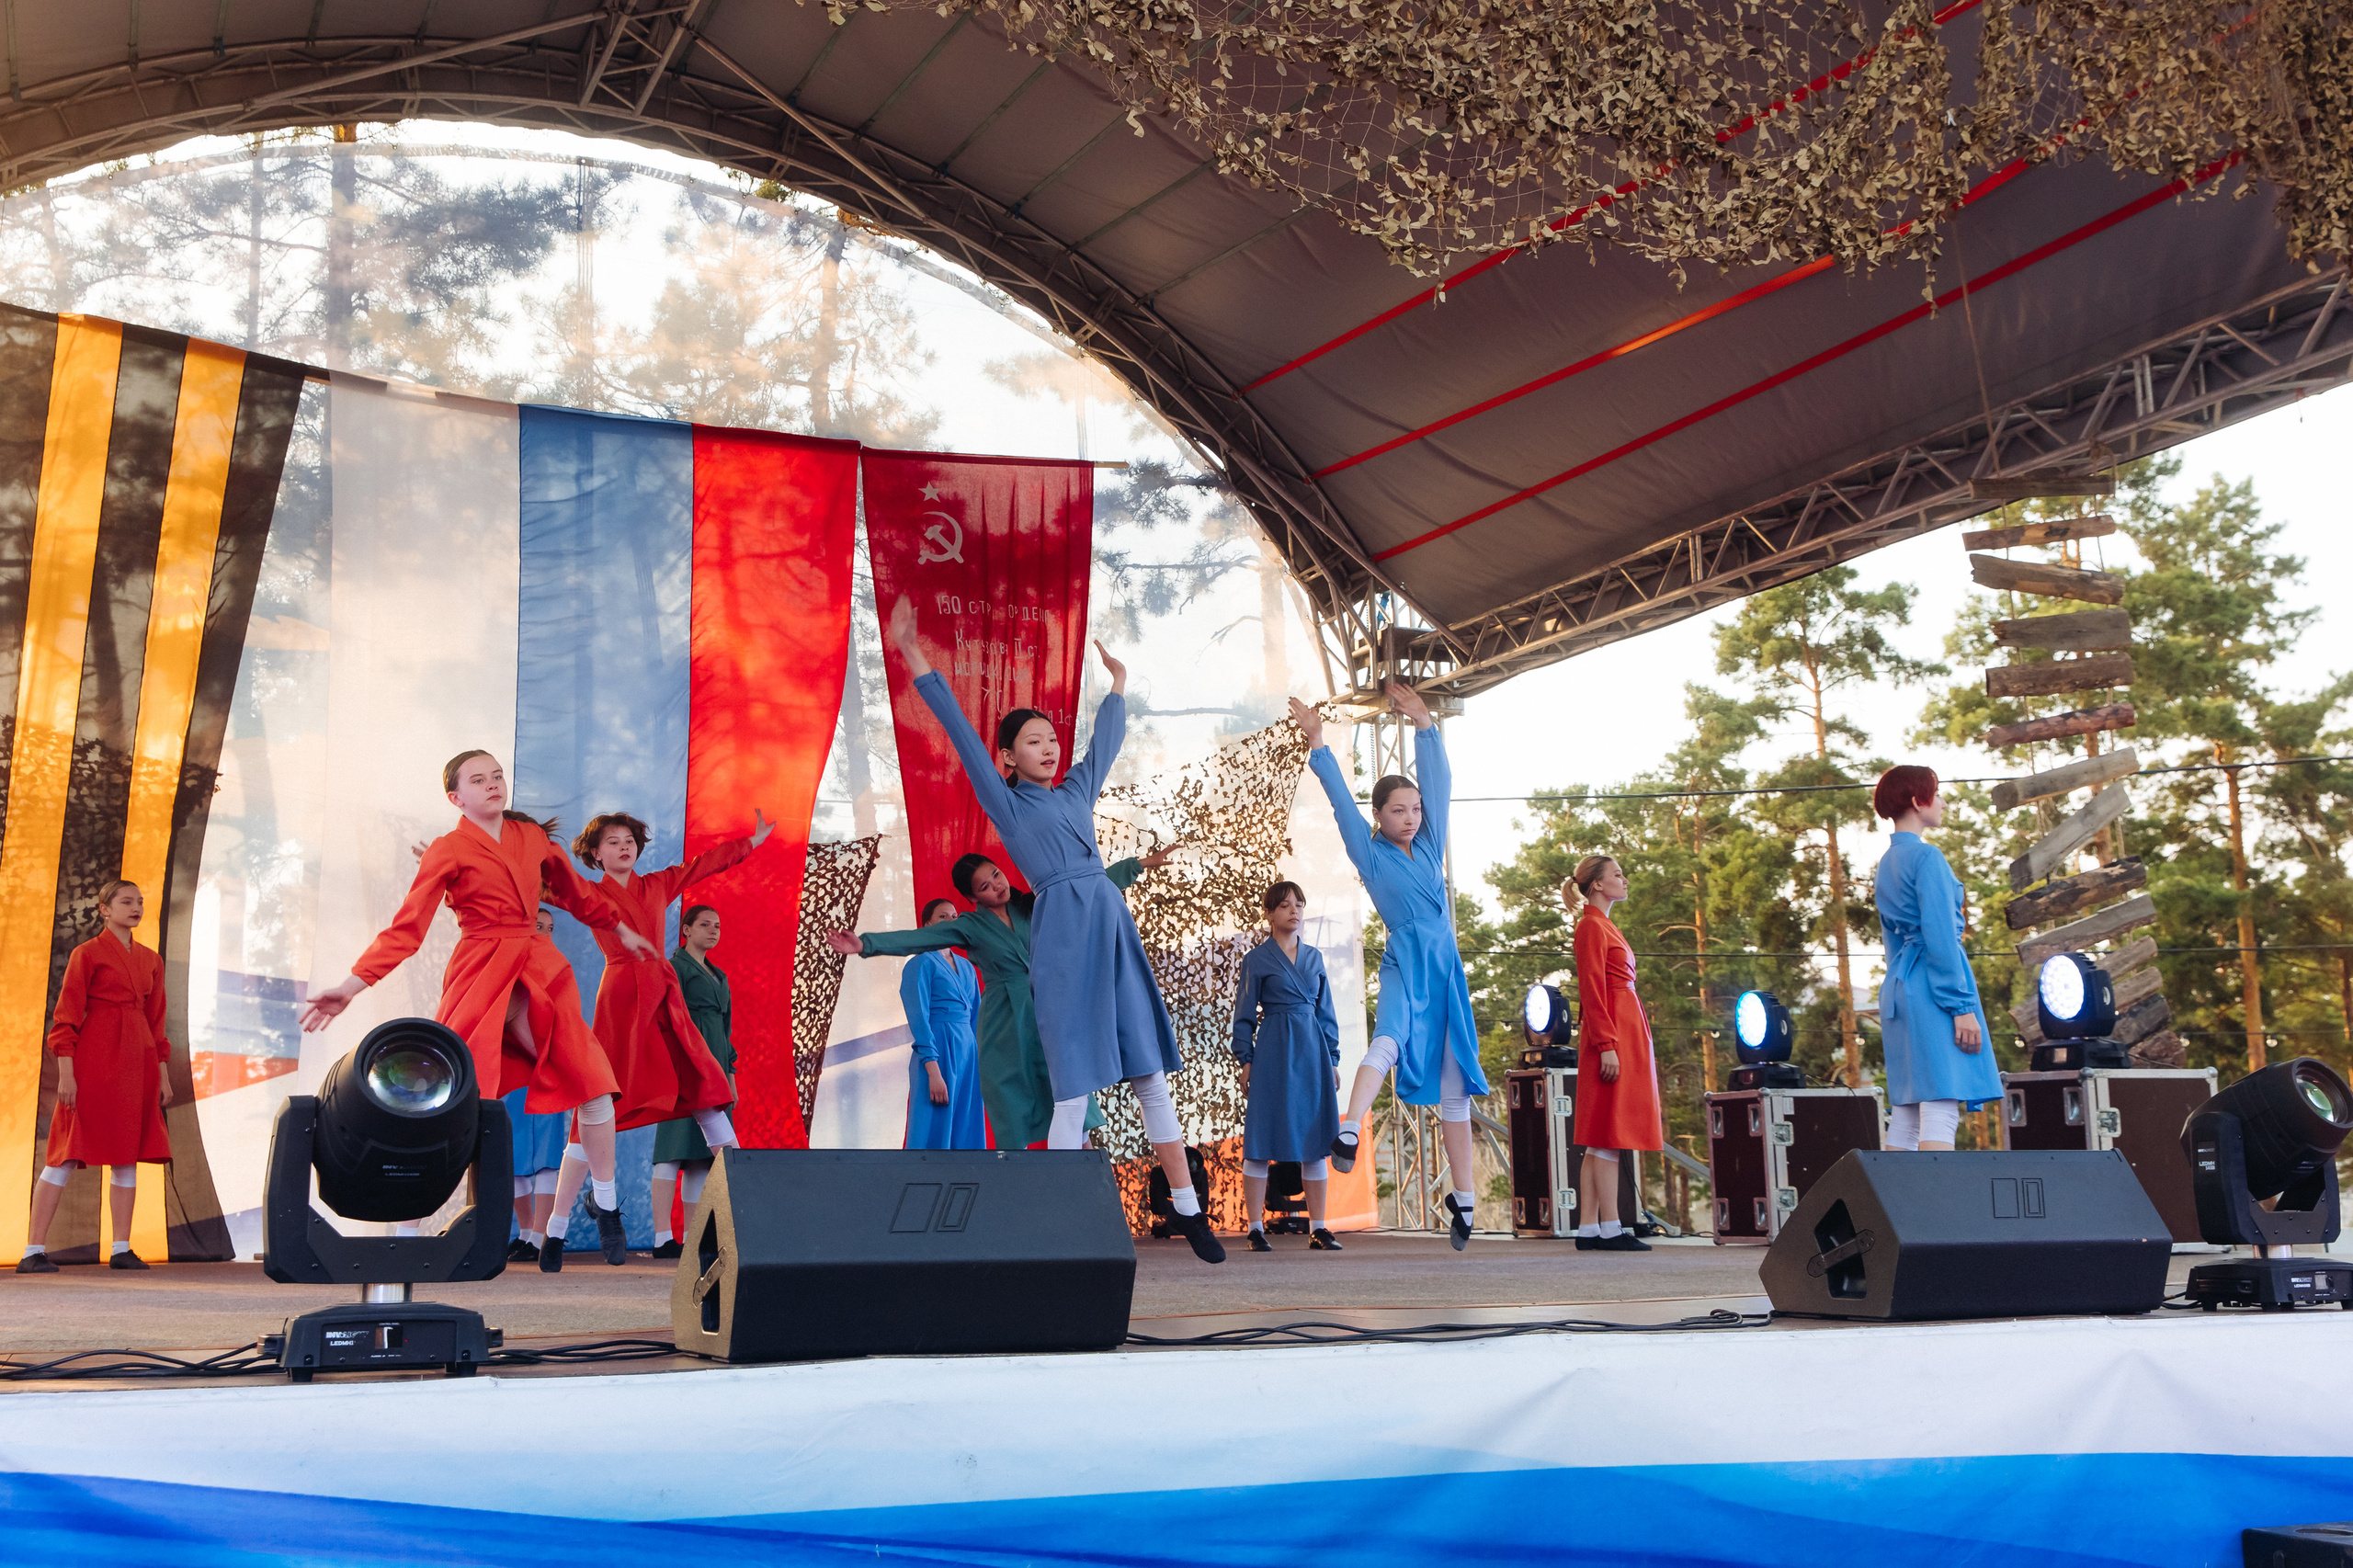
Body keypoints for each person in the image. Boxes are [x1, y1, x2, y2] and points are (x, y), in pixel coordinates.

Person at [884, 594, 1222, 1265]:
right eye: (1033, 741)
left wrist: (1119, 685)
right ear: (1007, 759)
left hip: (1110, 925)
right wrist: (916, 656)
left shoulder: (1074, 792)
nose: (1048, 747)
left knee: (1150, 1073)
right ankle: (1044, 1219)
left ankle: (1187, 1208)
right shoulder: (1006, 804)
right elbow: (956, 731)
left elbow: (1105, 745)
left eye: (1051, 739)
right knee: (1075, 1086)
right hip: (1066, 933)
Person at [301, 749, 663, 1270]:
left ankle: (605, 1202)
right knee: (448, 1097)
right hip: (482, 971)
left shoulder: (531, 838)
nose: (493, 784)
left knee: (593, 1082)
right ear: (456, 797)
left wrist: (622, 926)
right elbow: (407, 929)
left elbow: (575, 891)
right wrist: (351, 986)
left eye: (497, 776)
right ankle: (406, 1224)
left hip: (539, 970)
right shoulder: (447, 849)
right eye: (479, 779)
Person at [1291, 684, 1490, 1251]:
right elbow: (1337, 802)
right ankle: (1349, 1126)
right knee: (1389, 1040)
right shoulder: (1369, 851)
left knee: (1456, 1080)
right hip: (1408, 958)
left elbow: (1442, 787)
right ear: (1376, 817)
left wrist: (1426, 725)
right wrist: (1318, 745)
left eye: (1415, 810)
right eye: (1397, 810)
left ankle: (1467, 1202)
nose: (1410, 817)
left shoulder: (1428, 847)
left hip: (1446, 966)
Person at [829, 848, 1177, 1153]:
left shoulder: (1034, 904)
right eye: (985, 886)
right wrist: (865, 944)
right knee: (1013, 1107)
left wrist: (1140, 864)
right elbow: (922, 937)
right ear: (973, 899)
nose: (997, 885)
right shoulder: (970, 926)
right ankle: (1024, 1198)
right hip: (1005, 1023)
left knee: (1073, 1099)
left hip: (1050, 1011)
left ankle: (1086, 1185)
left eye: (996, 874)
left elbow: (1085, 892)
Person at [539, 808, 767, 1270]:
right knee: (593, 1111)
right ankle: (554, 1233)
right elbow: (538, 888)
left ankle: (749, 1204)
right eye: (613, 842)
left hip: (663, 998)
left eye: (630, 841)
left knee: (707, 1091)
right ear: (596, 853)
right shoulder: (588, 893)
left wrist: (751, 842)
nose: (624, 847)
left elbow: (702, 864)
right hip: (620, 1001)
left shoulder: (659, 884)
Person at [17, 881, 173, 1274]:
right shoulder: (86, 954)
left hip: (138, 1064)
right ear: (104, 909)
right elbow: (65, 1017)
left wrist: (163, 1076)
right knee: (66, 1151)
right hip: (95, 1061)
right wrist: (66, 1075)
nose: (135, 907)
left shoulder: (152, 959)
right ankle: (32, 1251)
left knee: (126, 1155)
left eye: (140, 901)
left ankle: (122, 1248)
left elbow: (157, 1025)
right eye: (126, 901)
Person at [1872, 765, 2000, 1151]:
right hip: (1933, 988)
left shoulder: (1886, 864)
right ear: (1917, 801)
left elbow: (1891, 942)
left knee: (1908, 1113)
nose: (1942, 802)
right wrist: (1961, 1007)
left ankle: (1895, 1210)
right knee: (1942, 1106)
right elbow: (1942, 937)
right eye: (1938, 794)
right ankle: (1934, 1209)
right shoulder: (1927, 859)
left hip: (1900, 986)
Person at [1231, 881, 1344, 1253]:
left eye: (1299, 904)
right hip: (1273, 1052)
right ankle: (1254, 1228)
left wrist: (1333, 1059)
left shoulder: (1315, 959)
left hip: (1312, 1052)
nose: (1293, 910)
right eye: (1284, 905)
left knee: (1315, 1140)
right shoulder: (1256, 960)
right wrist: (1245, 1060)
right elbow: (1244, 1016)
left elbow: (1325, 1013)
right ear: (1268, 914)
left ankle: (1320, 1227)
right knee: (1261, 1138)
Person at [1566, 855, 1663, 1251]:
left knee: (1599, 1136)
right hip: (1611, 1034)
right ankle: (1610, 1226)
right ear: (1598, 886)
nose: (1625, 880)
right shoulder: (1591, 926)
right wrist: (1606, 1044)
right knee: (1607, 1133)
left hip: (1621, 1029)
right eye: (1617, 875)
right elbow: (1591, 988)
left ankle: (1589, 1228)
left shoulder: (1603, 925)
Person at [650, 903, 733, 1259]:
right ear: (686, 929)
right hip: (685, 1064)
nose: (713, 930)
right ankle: (661, 1237)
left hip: (715, 1063)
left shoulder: (720, 975)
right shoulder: (674, 968)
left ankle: (693, 1237)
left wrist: (730, 1074)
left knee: (700, 1157)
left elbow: (727, 1030)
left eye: (717, 925)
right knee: (672, 1149)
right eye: (704, 924)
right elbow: (668, 1018)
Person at [504, 905, 572, 1261]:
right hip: (514, 1070)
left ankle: (540, 1237)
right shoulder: (504, 965)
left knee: (546, 1157)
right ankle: (527, 1231)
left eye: (550, 927)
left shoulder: (555, 969)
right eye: (537, 925)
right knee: (514, 1155)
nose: (544, 932)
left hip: (546, 1070)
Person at [899, 898, 987, 1152]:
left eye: (954, 916)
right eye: (943, 917)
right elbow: (919, 1019)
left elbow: (975, 1017)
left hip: (968, 1054)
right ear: (928, 925)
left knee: (965, 1124)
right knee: (931, 1125)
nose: (951, 921)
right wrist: (933, 1072)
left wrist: (980, 1062)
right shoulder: (920, 963)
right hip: (937, 1052)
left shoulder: (967, 967)